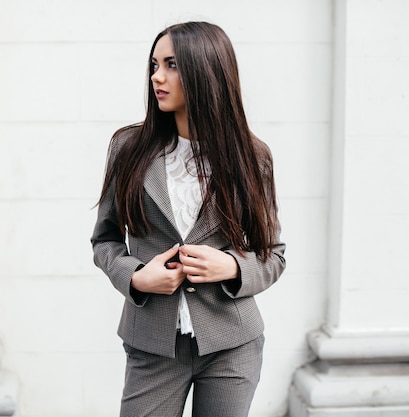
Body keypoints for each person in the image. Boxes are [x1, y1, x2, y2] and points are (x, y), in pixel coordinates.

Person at [91, 21, 287, 417]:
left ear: (206, 71)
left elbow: (274, 256)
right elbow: (105, 240)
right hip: (153, 344)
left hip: (232, 344)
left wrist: (231, 265)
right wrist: (135, 276)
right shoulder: (127, 148)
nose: (156, 77)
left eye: (172, 65)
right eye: (154, 64)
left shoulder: (253, 156)